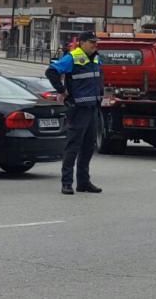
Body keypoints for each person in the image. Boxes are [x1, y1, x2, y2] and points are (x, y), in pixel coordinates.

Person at [46, 30, 103, 195]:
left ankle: (83, 182)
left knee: (88, 146)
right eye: (92, 42)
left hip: (92, 108)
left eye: (95, 42)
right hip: (78, 109)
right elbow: (51, 71)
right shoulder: (72, 57)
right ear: (82, 42)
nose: (95, 45)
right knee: (73, 146)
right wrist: (62, 90)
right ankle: (67, 183)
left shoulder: (97, 57)